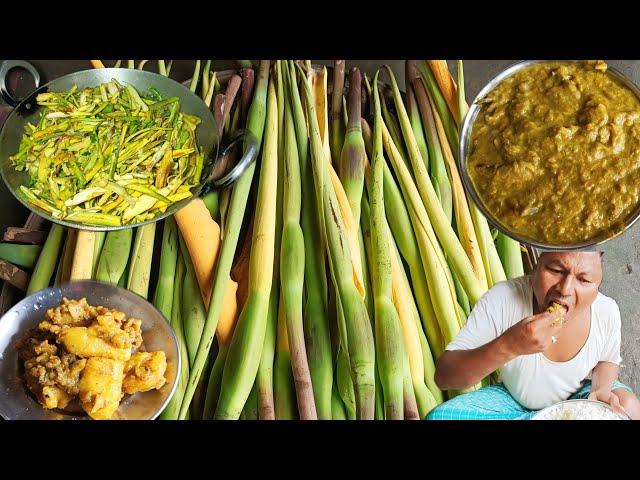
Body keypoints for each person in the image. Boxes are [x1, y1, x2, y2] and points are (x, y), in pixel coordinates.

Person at [427, 251, 640, 420]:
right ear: (536, 265)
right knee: (439, 417)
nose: (565, 289)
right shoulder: (504, 299)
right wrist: (510, 344)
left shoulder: (606, 310)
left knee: (628, 406)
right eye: (556, 270)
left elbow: (607, 360)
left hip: (578, 396)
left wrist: (600, 390)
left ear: (598, 284)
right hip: (512, 402)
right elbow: (444, 377)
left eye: (584, 280)